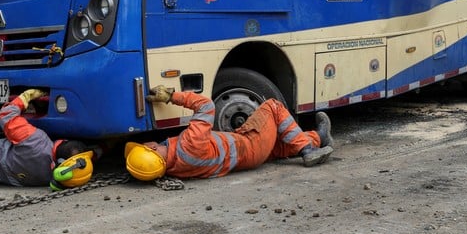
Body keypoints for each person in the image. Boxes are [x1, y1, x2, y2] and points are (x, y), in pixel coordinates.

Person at [125, 85, 334, 181]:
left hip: (247, 158)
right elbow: (206, 106)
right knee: (273, 106)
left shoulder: (173, 169)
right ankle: (308, 150)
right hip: (248, 144)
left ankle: (319, 137)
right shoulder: (188, 145)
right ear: (151, 147)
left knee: (279, 145)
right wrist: (172, 96)